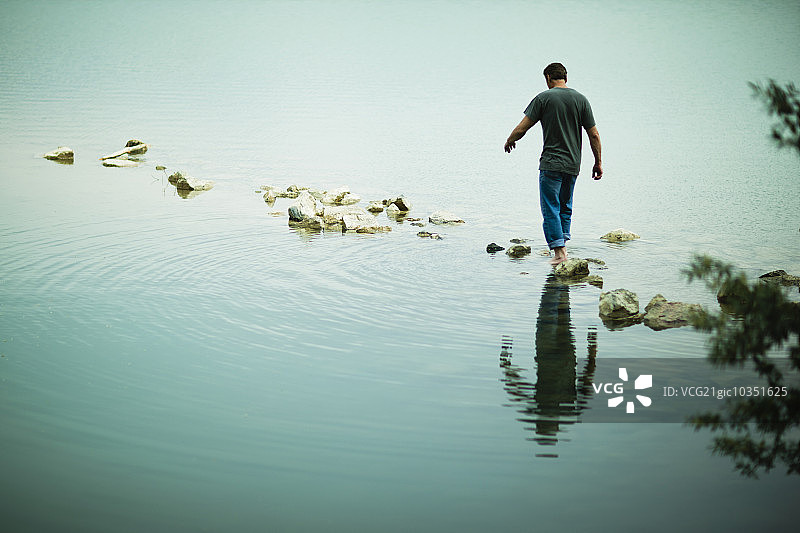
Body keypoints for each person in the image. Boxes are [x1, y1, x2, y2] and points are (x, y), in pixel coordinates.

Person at [504, 62, 602, 265]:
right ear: (566, 77)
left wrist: (510, 140)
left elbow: (523, 128)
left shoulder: (544, 98)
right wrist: (598, 162)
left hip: (551, 163)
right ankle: (563, 246)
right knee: (565, 206)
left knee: (550, 207)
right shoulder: (581, 99)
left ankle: (559, 253)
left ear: (548, 77)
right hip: (573, 164)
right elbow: (593, 134)